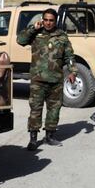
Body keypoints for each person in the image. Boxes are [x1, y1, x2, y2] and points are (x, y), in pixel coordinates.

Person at [17, 8, 77, 150]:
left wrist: (73, 71)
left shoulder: (62, 36)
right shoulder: (36, 33)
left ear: (55, 21)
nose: (48, 23)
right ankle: (33, 139)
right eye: (46, 20)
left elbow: (69, 56)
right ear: (42, 20)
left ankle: (49, 136)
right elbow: (20, 40)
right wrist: (33, 28)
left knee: (54, 109)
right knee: (35, 110)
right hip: (38, 79)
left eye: (51, 20)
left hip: (56, 79)